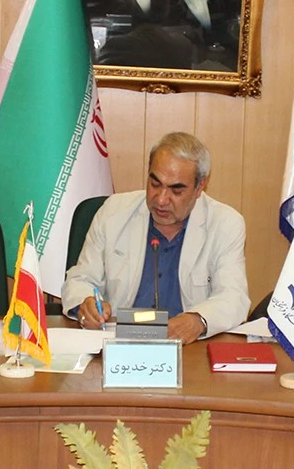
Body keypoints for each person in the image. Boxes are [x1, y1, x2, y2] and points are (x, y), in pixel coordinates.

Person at [60, 132, 250, 343]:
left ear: (199, 187)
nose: (161, 200)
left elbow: (234, 297)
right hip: (119, 344)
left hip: (189, 347)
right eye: (155, 184)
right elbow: (81, 279)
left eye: (176, 190)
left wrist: (199, 320)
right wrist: (85, 303)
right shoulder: (113, 212)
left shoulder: (225, 224)